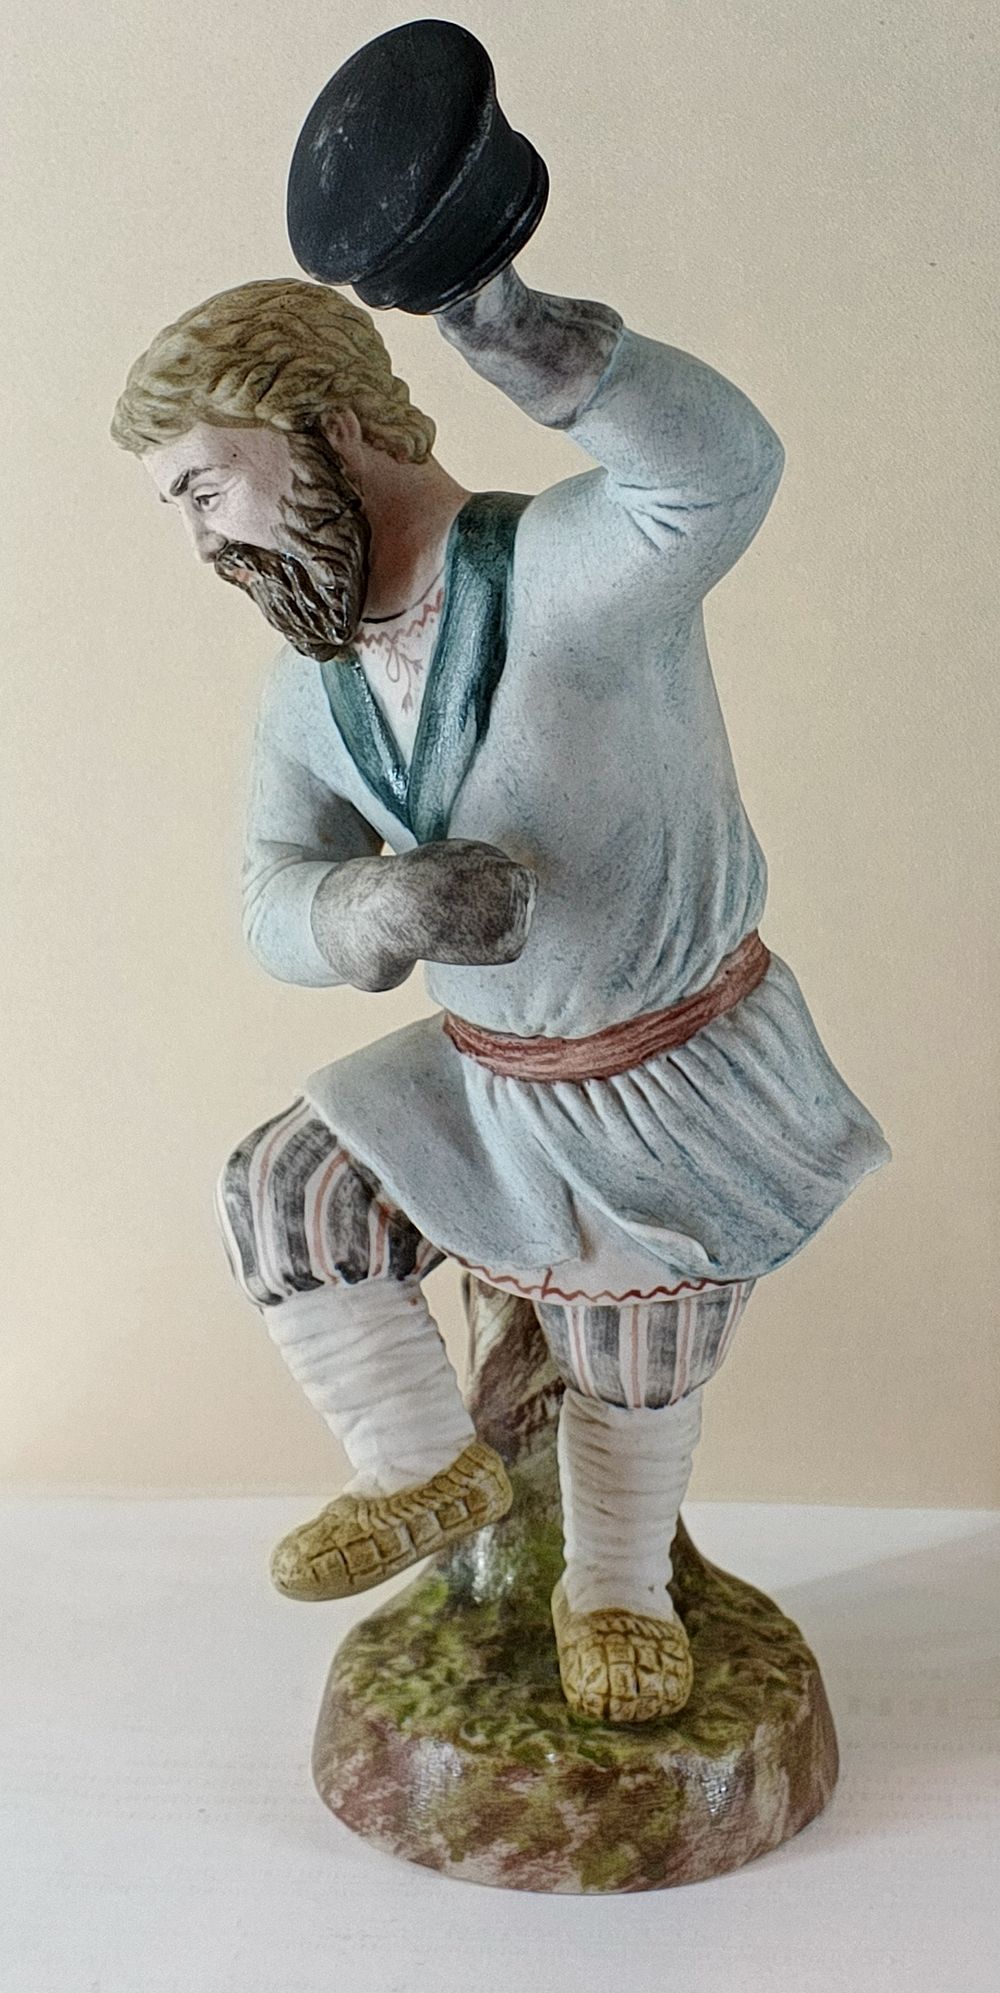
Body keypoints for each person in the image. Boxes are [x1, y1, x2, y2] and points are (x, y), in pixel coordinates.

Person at [112, 267, 889, 1723]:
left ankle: (619, 1586)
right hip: (488, 1074)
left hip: (670, 1065)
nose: (201, 537)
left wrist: (528, 335)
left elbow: (720, 475)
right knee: (288, 1186)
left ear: (332, 427)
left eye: (206, 485)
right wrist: (371, 906)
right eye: (176, 506)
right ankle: (419, 1464)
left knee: (630, 1343)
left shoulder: (563, 574)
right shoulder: (312, 688)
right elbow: (270, 890)